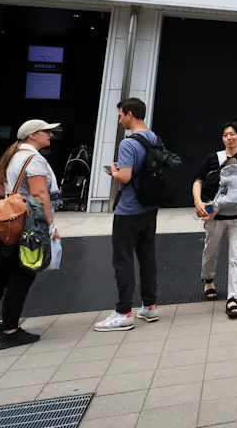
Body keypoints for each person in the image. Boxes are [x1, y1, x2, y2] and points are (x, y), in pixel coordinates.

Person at [0, 119, 61, 349]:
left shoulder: (12, 155)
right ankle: (10, 331)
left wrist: (10, 199)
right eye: (47, 132)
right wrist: (50, 226)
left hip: (6, 223)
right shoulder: (33, 159)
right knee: (22, 274)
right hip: (27, 225)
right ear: (33, 135)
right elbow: (40, 193)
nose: (51, 135)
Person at [95, 98, 159, 332]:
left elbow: (125, 176)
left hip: (129, 208)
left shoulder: (127, 144)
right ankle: (149, 306)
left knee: (123, 260)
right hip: (149, 207)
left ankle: (123, 312)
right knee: (147, 256)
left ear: (130, 114)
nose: (120, 119)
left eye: (121, 115)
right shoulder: (154, 138)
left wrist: (113, 171)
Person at [192, 122, 237, 319]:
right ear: (222, 138)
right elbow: (198, 180)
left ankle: (233, 298)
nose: (230, 138)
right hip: (215, 215)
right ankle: (208, 279)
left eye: (234, 134)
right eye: (226, 134)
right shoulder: (214, 158)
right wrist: (198, 201)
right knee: (210, 251)